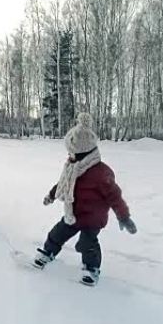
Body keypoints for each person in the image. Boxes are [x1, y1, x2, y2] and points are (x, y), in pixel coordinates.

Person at [33, 112, 137, 286]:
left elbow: (115, 196)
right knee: (57, 233)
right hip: (73, 213)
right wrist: (52, 195)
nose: (69, 155)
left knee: (87, 243)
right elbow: (63, 183)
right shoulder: (73, 167)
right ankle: (48, 252)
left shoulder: (100, 172)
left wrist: (124, 216)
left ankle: (92, 268)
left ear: (83, 153)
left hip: (93, 219)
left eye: (72, 152)